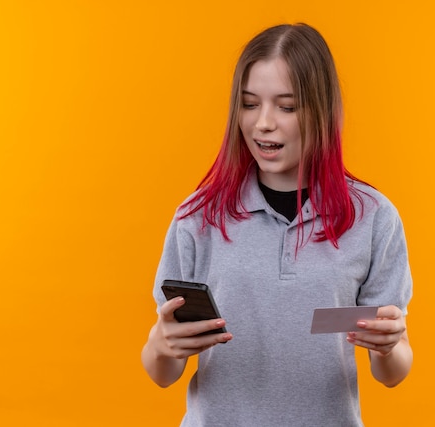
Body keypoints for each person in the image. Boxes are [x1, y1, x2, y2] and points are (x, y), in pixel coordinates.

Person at [141, 23, 413, 426]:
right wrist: (161, 346)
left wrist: (390, 347)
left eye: (286, 106)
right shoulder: (197, 217)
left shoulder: (373, 217)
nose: (263, 123)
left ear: (322, 109)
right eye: (249, 104)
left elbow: (391, 373)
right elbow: (162, 373)